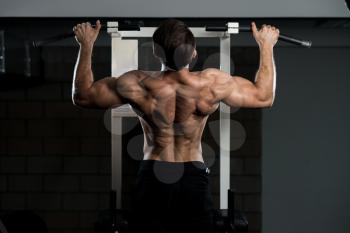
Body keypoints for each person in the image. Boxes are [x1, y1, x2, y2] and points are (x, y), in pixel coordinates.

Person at [72, 19, 279, 233]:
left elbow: (83, 97)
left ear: (156, 52)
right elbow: (264, 97)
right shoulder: (212, 84)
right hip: (193, 178)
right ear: (194, 54)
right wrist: (266, 45)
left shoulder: (136, 84)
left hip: (153, 175)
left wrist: (86, 44)